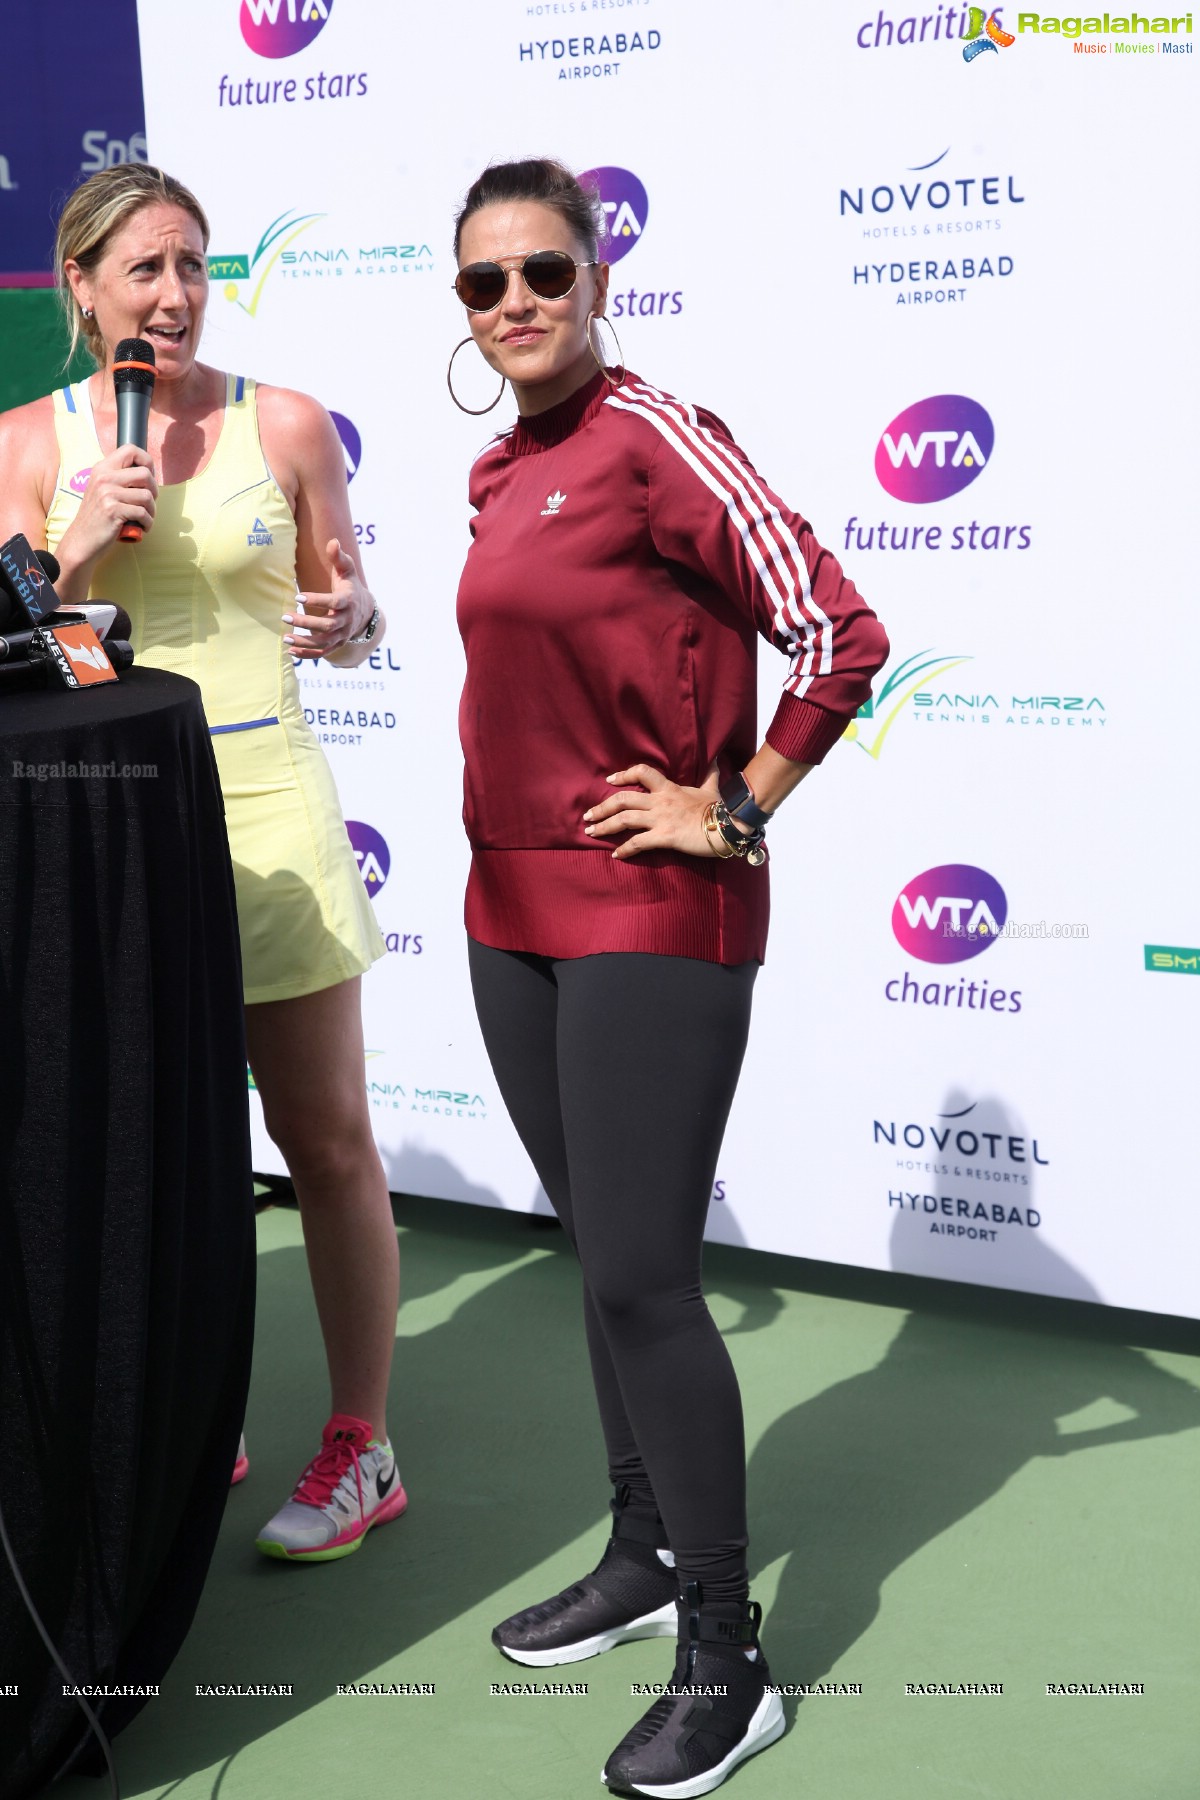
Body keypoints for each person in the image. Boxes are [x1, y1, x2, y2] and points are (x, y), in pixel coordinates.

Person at [451, 158, 889, 1797]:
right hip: (506, 909)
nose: (515, 307)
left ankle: (730, 1651)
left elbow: (840, 632)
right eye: (483, 285)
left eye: (542, 273)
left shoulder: (656, 437)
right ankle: (642, 1558)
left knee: (643, 1274)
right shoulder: (500, 469)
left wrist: (735, 810)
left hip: (651, 914)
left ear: (599, 271)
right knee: (596, 1260)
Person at [0, 164, 405, 1564]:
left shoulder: (280, 422)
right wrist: (64, 544)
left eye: (191, 264)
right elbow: (10, 638)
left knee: (326, 1136)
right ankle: (185, 1411)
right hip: (108, 829)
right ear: (84, 289)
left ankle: (363, 1439)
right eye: (142, 270)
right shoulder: (30, 439)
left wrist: (353, 620)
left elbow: (351, 618)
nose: (172, 295)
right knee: (154, 1143)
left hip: (269, 808)